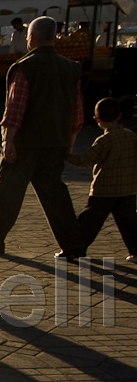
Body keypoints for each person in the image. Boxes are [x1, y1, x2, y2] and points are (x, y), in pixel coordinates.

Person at [0, 16, 86, 258]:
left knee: (7, 193)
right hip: (56, 142)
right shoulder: (71, 68)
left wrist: (8, 141)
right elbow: (77, 114)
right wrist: (70, 142)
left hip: (25, 143)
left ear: (31, 38)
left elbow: (15, 109)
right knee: (55, 194)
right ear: (53, 37)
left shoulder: (25, 67)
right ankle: (73, 245)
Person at [64, 97, 137, 261]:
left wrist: (66, 155)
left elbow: (86, 160)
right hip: (128, 188)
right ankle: (135, 251)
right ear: (119, 116)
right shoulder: (131, 136)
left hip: (105, 189)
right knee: (129, 222)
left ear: (97, 120)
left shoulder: (104, 141)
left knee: (89, 223)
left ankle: (75, 249)